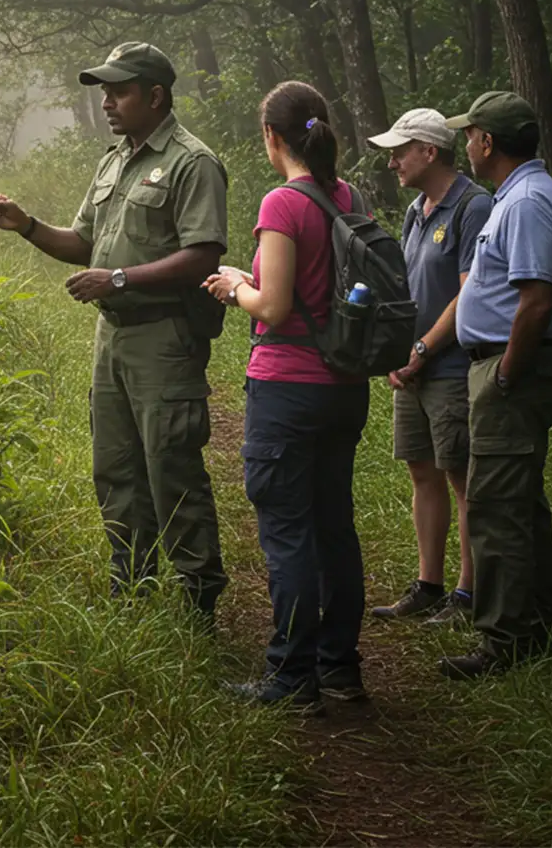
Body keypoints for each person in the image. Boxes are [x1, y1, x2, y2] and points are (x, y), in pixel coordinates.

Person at [0, 42, 229, 617]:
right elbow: (83, 243)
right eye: (104, 92)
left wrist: (119, 279)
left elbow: (203, 255)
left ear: (155, 96)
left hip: (164, 336)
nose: (107, 102)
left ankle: (197, 601)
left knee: (170, 466)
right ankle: (131, 588)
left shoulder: (192, 162)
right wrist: (26, 225)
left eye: (119, 91)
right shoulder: (114, 160)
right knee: (115, 467)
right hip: (112, 338)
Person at [202, 80, 368, 712]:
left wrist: (232, 289)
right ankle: (340, 668)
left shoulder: (282, 203)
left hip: (287, 387)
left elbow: (272, 305)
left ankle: (291, 678)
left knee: (288, 532)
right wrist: (257, 281)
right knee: (334, 527)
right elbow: (315, 287)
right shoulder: (345, 196)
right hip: (343, 386)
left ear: (272, 137)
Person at [437, 91, 552, 680]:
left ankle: (503, 642)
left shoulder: (524, 203)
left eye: (469, 134)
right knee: (519, 504)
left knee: (494, 507)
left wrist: (505, 375)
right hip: (501, 365)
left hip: (509, 370)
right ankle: (532, 624)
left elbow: (536, 300)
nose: (465, 143)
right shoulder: (518, 197)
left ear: (487, 142)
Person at [369, 109, 493, 626]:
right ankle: (428, 585)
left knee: (461, 478)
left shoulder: (472, 206)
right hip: (413, 367)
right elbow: (406, 290)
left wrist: (421, 351)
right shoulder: (416, 209)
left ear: (430, 151)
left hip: (450, 367)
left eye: (401, 150)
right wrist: (399, 352)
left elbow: (470, 296)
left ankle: (467, 596)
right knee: (422, 472)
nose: (393, 160)